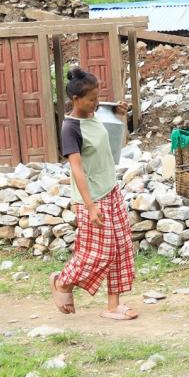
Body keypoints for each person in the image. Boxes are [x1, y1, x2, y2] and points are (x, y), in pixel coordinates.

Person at [50, 67, 137, 320]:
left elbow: (109, 124)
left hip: (110, 190)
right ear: (75, 100)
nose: (95, 104)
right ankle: (63, 282)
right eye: (91, 100)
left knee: (121, 247)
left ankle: (113, 305)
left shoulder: (94, 113)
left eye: (98, 99)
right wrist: (89, 205)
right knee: (98, 251)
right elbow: (76, 169)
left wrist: (118, 112)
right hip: (92, 197)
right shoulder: (70, 128)